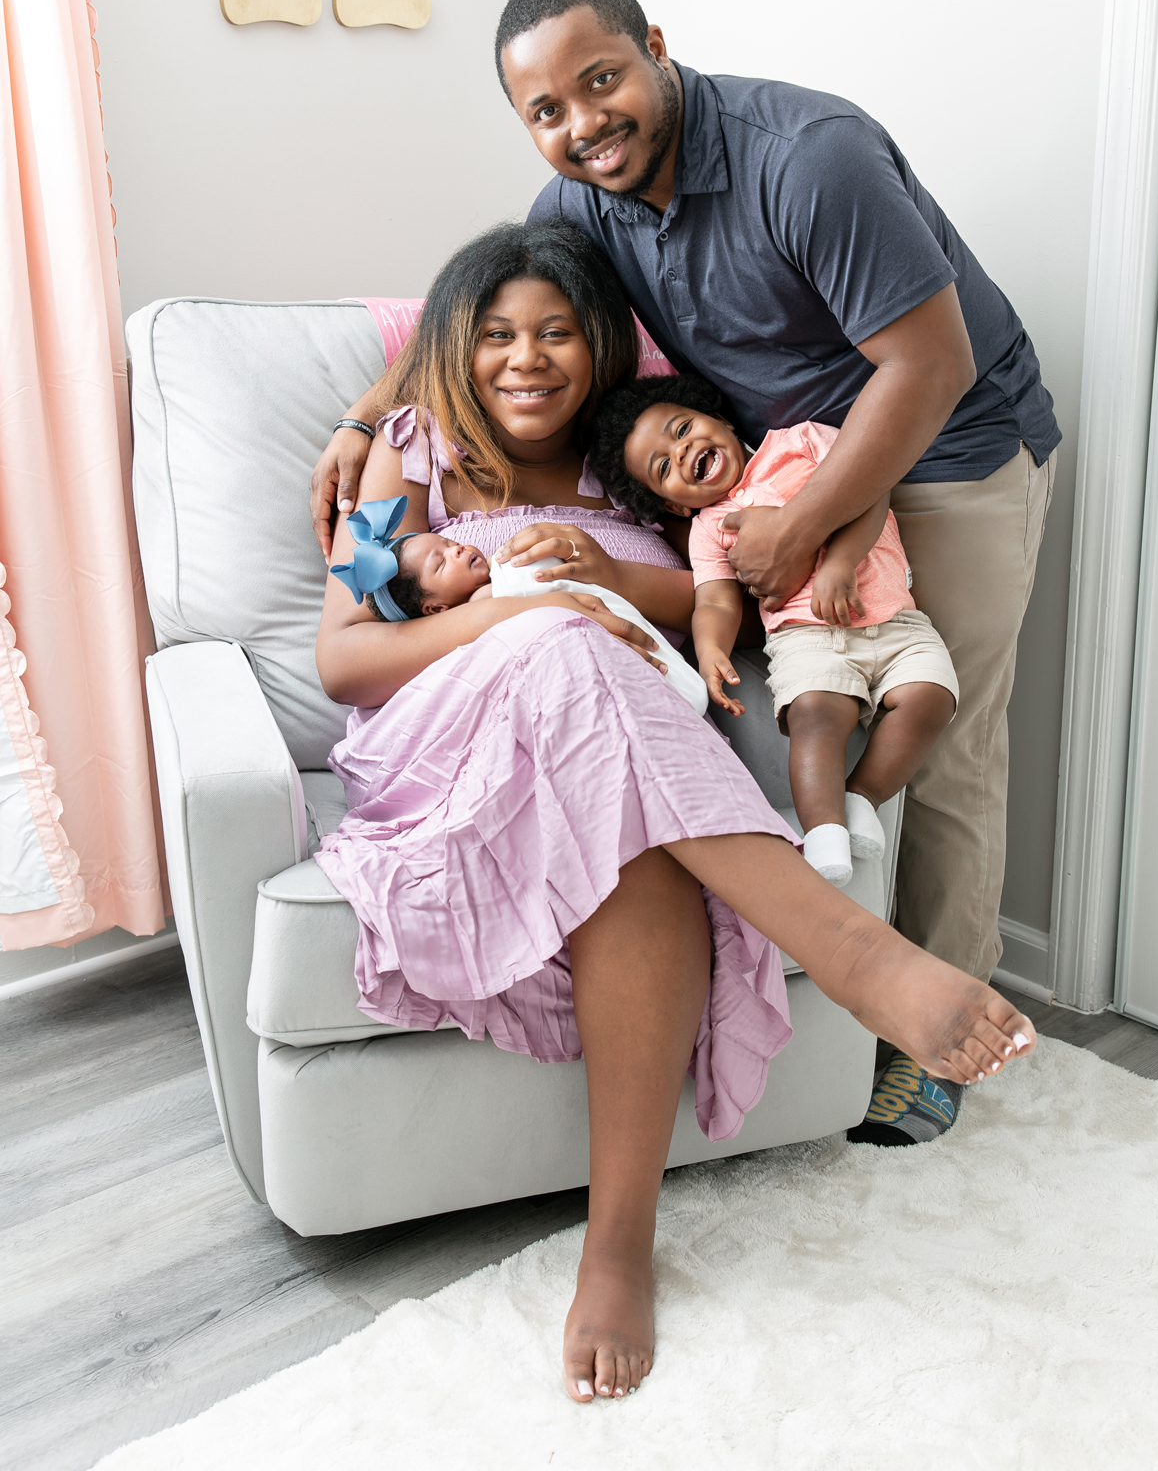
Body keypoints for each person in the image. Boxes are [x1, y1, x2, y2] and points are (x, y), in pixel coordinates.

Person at [310, 0, 1058, 1146]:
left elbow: (931, 367)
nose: (580, 124)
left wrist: (799, 528)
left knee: (941, 717)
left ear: (654, 45)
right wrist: (363, 421)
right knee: (820, 705)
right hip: (777, 470)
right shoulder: (578, 208)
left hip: (942, 442)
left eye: (600, 81)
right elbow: (473, 318)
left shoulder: (807, 157)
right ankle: (857, 956)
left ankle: (931, 1022)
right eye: (544, 111)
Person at [314, 218, 1037, 1402]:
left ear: (602, 348)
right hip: (448, 744)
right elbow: (345, 657)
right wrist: (522, 611)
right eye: (495, 335)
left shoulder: (632, 462)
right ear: (455, 349)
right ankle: (851, 946)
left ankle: (619, 1243)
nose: (525, 359)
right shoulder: (411, 457)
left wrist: (600, 579)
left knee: (637, 851)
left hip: (621, 759)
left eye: (556, 333)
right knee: (560, 647)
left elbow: (733, 603)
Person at [587, 374, 958, 891]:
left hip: (896, 617)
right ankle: (823, 830)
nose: (683, 449)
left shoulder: (802, 440)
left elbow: (872, 488)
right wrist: (711, 648)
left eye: (684, 428)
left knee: (933, 697)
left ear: (719, 419)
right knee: (816, 714)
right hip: (804, 636)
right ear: (671, 504)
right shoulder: (709, 527)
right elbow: (714, 598)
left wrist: (840, 563)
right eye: (664, 466)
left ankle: (862, 797)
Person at [328, 496, 710, 715]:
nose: (457, 548)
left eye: (447, 543)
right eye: (442, 563)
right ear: (435, 609)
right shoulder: (481, 604)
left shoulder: (500, 570)